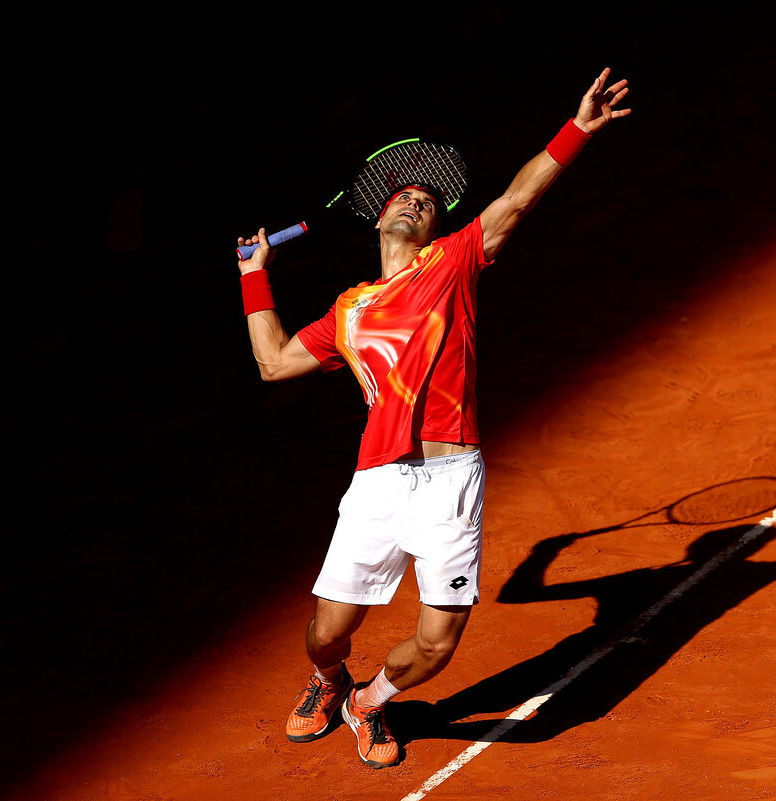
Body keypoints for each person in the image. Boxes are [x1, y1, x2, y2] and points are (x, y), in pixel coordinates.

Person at [235, 69, 630, 769]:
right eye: (405, 197)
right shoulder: (348, 309)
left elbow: (515, 199)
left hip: (452, 479)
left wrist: (577, 131)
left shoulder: (452, 262)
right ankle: (330, 682)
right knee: (326, 633)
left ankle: (370, 702)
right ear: (379, 216)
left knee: (438, 644)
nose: (417, 203)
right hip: (379, 481)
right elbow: (271, 362)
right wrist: (253, 275)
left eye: (427, 200)